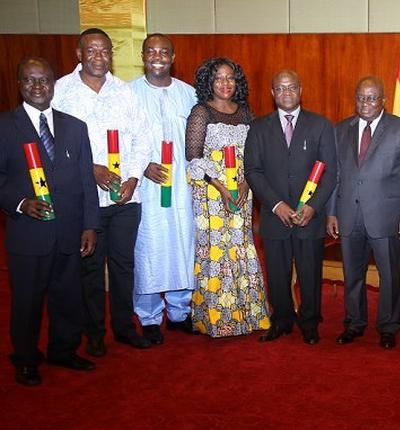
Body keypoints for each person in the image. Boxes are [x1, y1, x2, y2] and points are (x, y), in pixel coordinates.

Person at [52, 28, 152, 355]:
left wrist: (134, 178)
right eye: (92, 51)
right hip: (84, 200)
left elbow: (142, 139)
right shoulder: (60, 92)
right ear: (79, 54)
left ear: (112, 55)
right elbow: (50, 144)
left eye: (105, 51)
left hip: (125, 197)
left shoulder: (125, 92)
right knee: (90, 268)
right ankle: (93, 331)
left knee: (124, 266)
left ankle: (124, 327)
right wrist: (90, 169)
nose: (99, 57)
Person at [0, 57, 99, 385]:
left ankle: (64, 350)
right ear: (19, 84)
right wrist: (19, 203)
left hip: (70, 230)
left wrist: (89, 225)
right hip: (28, 234)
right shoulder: (5, 126)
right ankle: (26, 357)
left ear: (54, 83)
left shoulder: (75, 126)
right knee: (27, 300)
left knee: (68, 296)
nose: (38, 86)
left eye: (44, 79)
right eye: (29, 80)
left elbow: (86, 180)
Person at [326, 76, 400, 349]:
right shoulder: (340, 129)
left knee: (389, 274)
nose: (365, 103)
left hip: (386, 215)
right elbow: (336, 175)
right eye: (360, 97)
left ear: (383, 100)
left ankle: (388, 326)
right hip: (348, 214)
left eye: (371, 98)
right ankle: (354, 323)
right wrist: (331, 212)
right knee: (352, 273)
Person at [245, 69, 337, 345]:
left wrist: (313, 206)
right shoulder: (259, 127)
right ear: (273, 94)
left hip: (310, 216)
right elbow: (252, 170)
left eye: (292, 87)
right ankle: (282, 319)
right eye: (280, 88)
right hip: (275, 217)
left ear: (301, 90)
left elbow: (331, 172)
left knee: (310, 272)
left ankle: (309, 322)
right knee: (276, 272)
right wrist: (275, 205)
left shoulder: (321, 125)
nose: (286, 92)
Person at [185, 57, 271, 338]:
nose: (225, 83)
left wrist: (246, 181)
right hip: (211, 191)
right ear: (209, 82)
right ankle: (217, 318)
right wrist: (221, 187)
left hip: (242, 189)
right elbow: (193, 158)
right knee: (217, 250)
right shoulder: (201, 112)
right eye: (219, 78)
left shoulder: (245, 112)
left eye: (230, 78)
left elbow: (256, 153)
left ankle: (248, 313)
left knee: (242, 244)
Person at [130, 33, 197, 344]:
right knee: (148, 249)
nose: (157, 56)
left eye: (164, 51)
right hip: (146, 188)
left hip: (181, 187)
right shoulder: (128, 94)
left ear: (173, 56)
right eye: (151, 51)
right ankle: (149, 315)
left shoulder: (189, 94)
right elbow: (118, 139)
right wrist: (141, 166)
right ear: (143, 55)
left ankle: (180, 312)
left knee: (181, 246)